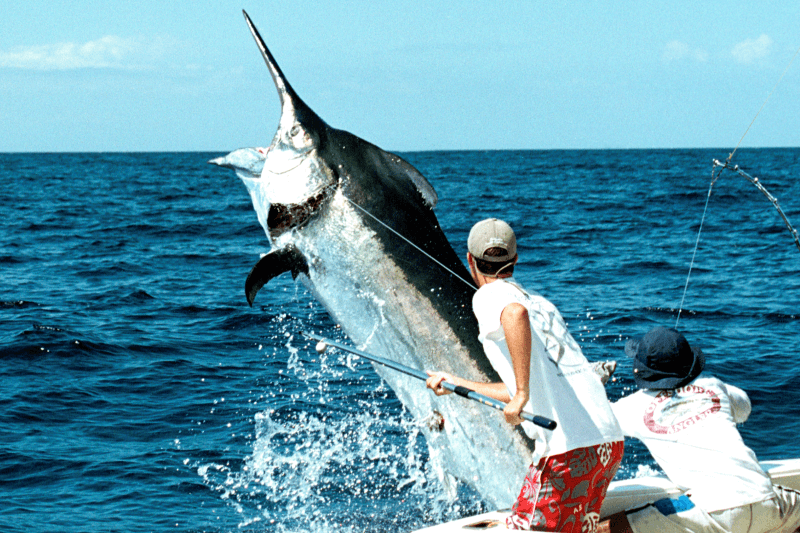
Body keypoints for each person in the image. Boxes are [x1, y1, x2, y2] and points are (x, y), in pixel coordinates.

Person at [426, 218, 625, 532]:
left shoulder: (491, 297)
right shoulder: (542, 305)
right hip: (607, 444)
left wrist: (521, 395)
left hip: (567, 449)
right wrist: (457, 384)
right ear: (515, 259)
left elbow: (513, 317)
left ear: (469, 260)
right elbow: (529, 384)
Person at [599, 326, 800, 533]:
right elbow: (744, 408)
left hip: (708, 510)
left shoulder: (632, 407)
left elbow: (594, 420)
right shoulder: (713, 385)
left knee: (609, 528)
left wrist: (593, 384)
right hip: (765, 500)